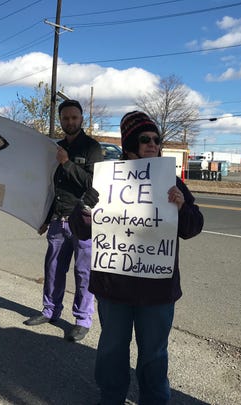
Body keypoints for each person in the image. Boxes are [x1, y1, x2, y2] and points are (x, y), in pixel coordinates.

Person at [70, 111, 204, 404]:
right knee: (112, 349)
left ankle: (155, 399)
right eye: (145, 139)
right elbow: (80, 229)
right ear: (130, 145)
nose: (152, 144)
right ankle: (111, 397)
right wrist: (84, 208)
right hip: (113, 286)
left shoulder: (172, 183)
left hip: (157, 290)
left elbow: (194, 227)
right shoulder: (106, 181)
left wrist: (183, 209)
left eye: (157, 139)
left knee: (154, 353)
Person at [23, 99, 104, 342]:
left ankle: (82, 320)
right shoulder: (55, 148)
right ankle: (50, 311)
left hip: (83, 221)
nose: (70, 121)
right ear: (60, 120)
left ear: (81, 119)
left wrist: (67, 163)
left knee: (83, 273)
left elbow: (94, 185)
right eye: (65, 118)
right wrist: (45, 218)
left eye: (74, 117)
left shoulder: (92, 148)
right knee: (54, 269)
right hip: (58, 220)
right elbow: (52, 187)